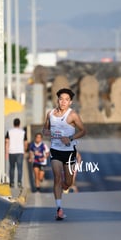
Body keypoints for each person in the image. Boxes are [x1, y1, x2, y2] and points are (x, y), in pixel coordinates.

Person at [43, 88, 86, 220]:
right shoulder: (50, 114)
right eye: (61, 99)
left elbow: (83, 131)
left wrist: (70, 138)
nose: (63, 102)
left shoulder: (72, 115)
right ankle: (59, 209)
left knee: (68, 183)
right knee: (57, 177)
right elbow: (45, 130)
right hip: (55, 150)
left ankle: (64, 184)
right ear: (57, 100)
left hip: (69, 152)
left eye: (66, 100)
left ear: (70, 102)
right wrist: (52, 134)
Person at [5, 118, 28, 188]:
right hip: (20, 152)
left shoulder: (9, 131)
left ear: (13, 123)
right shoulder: (23, 132)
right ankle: (19, 183)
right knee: (20, 168)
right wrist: (24, 151)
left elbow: (7, 142)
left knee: (12, 168)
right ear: (19, 123)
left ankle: (11, 183)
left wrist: (6, 152)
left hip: (11, 152)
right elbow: (26, 143)